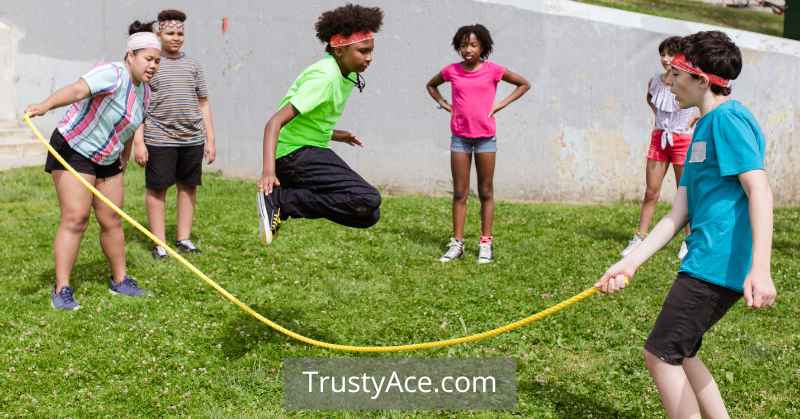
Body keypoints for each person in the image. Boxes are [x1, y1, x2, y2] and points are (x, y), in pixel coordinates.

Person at [595, 31, 777, 418]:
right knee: (683, 352)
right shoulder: (700, 129)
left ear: (702, 79)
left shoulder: (729, 119)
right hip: (703, 261)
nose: (668, 81)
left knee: (661, 354)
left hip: (717, 264)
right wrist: (631, 262)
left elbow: (759, 189)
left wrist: (761, 270)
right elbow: (679, 212)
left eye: (676, 73)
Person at [25, 21, 161, 310]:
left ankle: (120, 280)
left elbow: (129, 126)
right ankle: (62, 288)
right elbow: (76, 91)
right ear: (131, 55)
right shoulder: (112, 73)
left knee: (112, 219)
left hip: (108, 158)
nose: (153, 66)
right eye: (148, 59)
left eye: (157, 61)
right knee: (76, 218)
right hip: (75, 148)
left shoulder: (145, 93)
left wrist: (124, 156)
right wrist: (44, 105)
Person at [257, 4, 384, 245]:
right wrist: (268, 172)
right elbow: (273, 123)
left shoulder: (344, 73)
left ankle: (286, 202)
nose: (369, 58)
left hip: (306, 150)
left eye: (371, 51)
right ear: (339, 49)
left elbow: (308, 120)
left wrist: (336, 134)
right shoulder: (325, 77)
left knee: (368, 215)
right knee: (367, 198)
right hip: (293, 155)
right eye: (362, 51)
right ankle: (280, 201)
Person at [426, 24, 529, 263]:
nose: (467, 50)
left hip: (485, 139)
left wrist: (500, 105)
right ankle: (457, 243)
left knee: (485, 191)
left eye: (472, 45)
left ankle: (485, 243)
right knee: (460, 192)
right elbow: (431, 85)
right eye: (463, 45)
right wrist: (443, 103)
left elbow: (523, 83)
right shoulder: (451, 71)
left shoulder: (493, 70)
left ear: (483, 46)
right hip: (460, 138)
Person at [133, 9, 216, 259]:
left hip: (191, 138)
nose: (176, 37)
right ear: (158, 34)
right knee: (157, 189)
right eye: (170, 33)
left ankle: (183, 238)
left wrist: (210, 138)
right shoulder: (151, 64)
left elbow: (203, 102)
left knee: (188, 187)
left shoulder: (193, 65)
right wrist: (139, 141)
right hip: (159, 139)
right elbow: (137, 104)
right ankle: (160, 243)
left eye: (180, 33)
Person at [621, 36, 699, 260]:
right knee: (651, 191)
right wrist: (661, 121)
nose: (666, 59)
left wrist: (693, 120)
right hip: (659, 138)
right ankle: (640, 237)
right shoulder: (655, 81)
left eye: (671, 54)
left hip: (683, 141)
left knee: (685, 192)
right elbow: (651, 99)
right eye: (663, 54)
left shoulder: (688, 81)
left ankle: (689, 240)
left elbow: (704, 102)